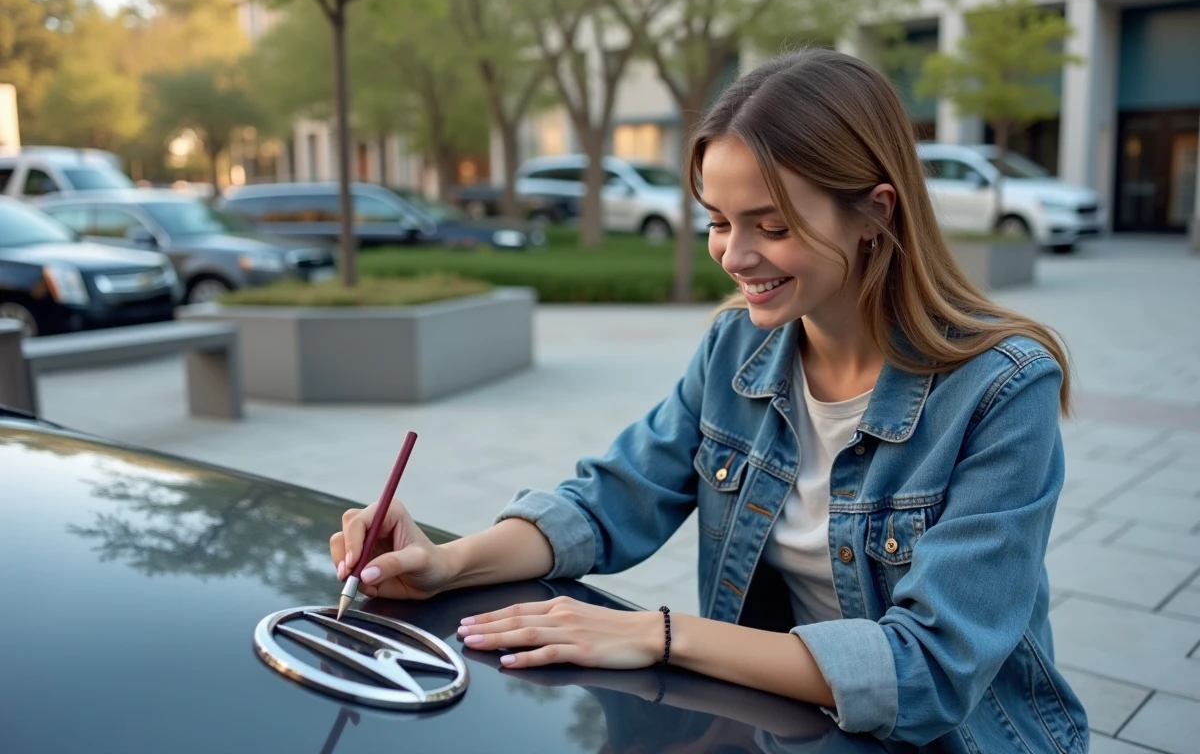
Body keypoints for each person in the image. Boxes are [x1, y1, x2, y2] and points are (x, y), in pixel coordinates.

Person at [329, 49, 1089, 752]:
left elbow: (928, 669)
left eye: (772, 226)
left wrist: (661, 636)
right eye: (719, 223)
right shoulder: (736, 350)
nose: (735, 255)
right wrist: (446, 563)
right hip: (787, 726)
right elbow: (610, 501)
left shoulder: (1001, 390)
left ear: (875, 213)